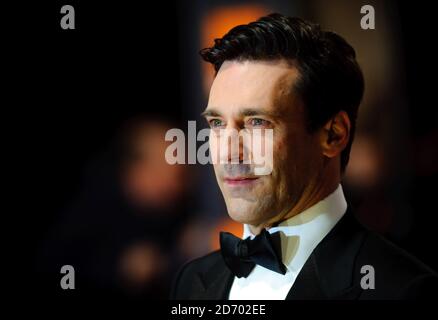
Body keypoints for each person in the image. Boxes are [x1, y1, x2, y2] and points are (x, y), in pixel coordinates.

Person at [170, 13, 437, 300]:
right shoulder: (192, 283)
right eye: (218, 124)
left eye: (257, 123)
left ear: (333, 135)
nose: (229, 154)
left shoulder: (401, 291)